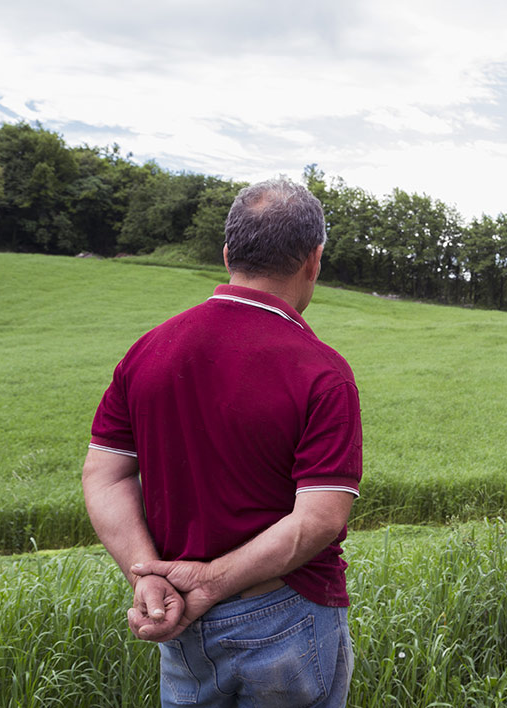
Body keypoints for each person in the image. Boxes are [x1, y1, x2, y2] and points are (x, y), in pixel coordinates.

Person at [82, 177, 362, 708]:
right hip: (287, 611)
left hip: (178, 619)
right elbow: (320, 518)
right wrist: (208, 583)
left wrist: (146, 576)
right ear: (314, 260)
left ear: (228, 253)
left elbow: (105, 473)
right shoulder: (322, 371)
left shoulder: (147, 351)